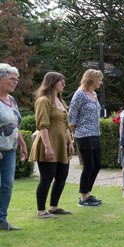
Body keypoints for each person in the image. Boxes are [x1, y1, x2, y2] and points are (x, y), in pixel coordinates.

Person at [29, 72, 74, 218]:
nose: (64, 83)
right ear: (52, 82)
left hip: (62, 144)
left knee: (62, 176)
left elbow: (65, 125)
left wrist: (70, 142)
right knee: (47, 178)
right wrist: (48, 146)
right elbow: (42, 125)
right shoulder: (43, 101)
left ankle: (54, 207)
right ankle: (41, 211)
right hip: (48, 142)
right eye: (61, 81)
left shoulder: (60, 101)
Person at [69, 69, 103, 207]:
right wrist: (74, 133)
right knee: (88, 166)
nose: (101, 82)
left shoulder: (94, 94)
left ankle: (88, 193)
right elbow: (72, 115)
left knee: (97, 165)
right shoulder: (80, 94)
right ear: (91, 79)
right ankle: (83, 198)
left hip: (95, 134)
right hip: (83, 134)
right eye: (99, 79)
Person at [0, 64, 28, 230]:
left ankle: (2, 220)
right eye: (11, 79)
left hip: (10, 149)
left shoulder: (12, 100)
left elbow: (14, 125)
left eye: (16, 79)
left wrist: (23, 144)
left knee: (7, 185)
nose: (15, 82)